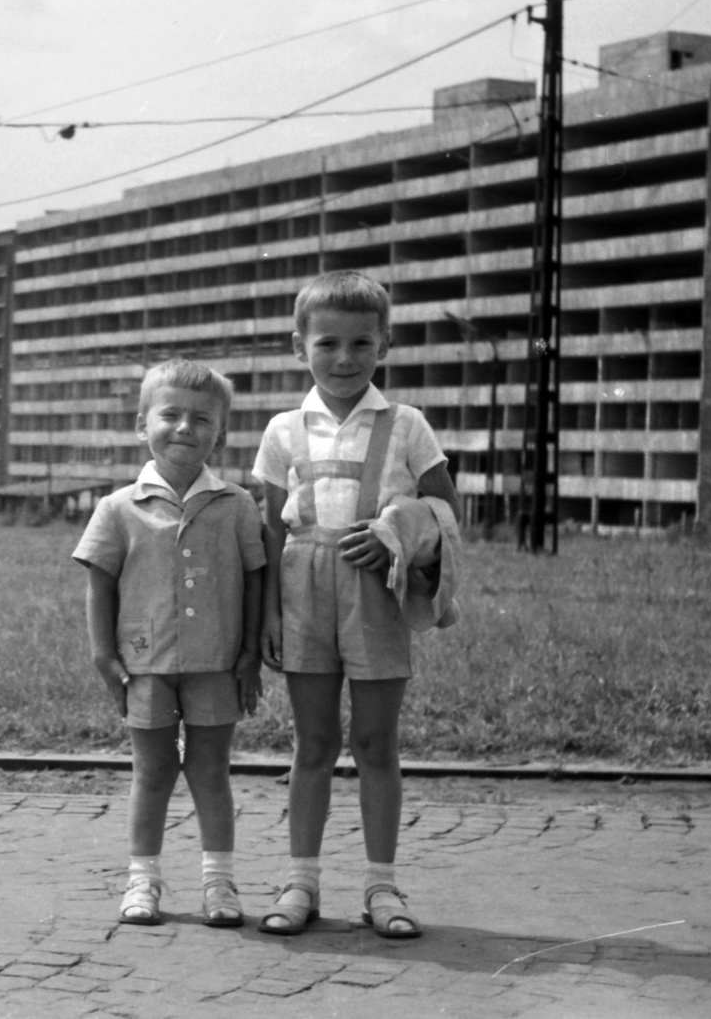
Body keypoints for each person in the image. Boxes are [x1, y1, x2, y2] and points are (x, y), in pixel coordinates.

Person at [253, 271, 462, 939]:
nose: (344, 359)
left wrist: (396, 532)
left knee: (375, 743)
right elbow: (267, 530)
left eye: (361, 344)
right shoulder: (283, 429)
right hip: (302, 587)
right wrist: (267, 615)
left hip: (376, 591)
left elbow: (446, 510)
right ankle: (301, 883)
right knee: (312, 743)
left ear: (385, 345)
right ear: (299, 347)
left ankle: (382, 887)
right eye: (328, 344)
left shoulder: (408, 426)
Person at [72, 359, 266, 928]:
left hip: (218, 661)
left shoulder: (236, 505)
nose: (185, 428)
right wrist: (102, 655)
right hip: (144, 663)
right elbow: (99, 583)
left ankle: (219, 883)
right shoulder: (118, 508)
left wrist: (251, 652)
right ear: (142, 425)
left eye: (201, 419)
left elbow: (256, 578)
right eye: (171, 415)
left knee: (210, 769)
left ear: (221, 434)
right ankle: (143, 880)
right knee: (152, 770)